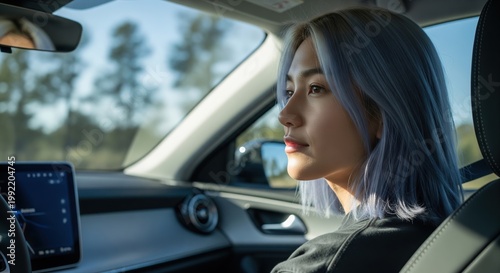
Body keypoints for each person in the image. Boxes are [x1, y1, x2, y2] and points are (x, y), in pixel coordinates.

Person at [272, 7, 463, 273]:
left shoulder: (325, 264)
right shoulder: (454, 236)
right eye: (289, 91)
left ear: (384, 115)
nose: (285, 115)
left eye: (316, 88)